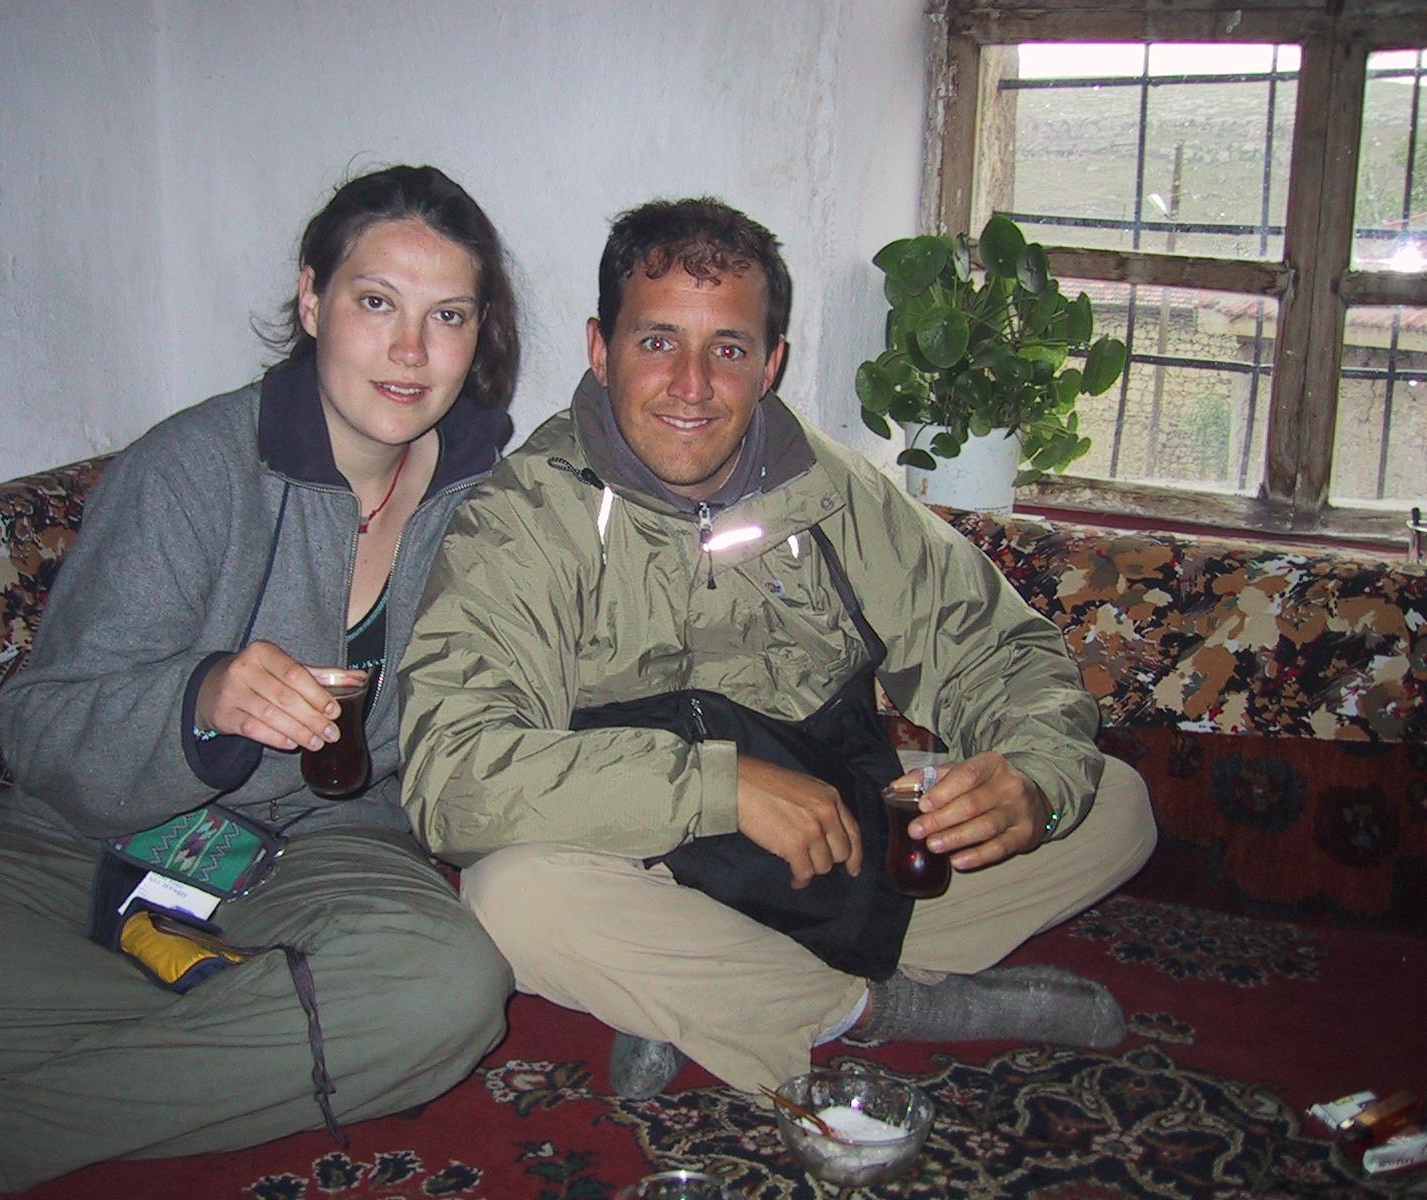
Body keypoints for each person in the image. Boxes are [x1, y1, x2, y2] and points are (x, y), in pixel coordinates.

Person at [0, 164, 519, 1200]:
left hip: (321, 861)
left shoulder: (489, 510)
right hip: (89, 846)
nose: (412, 351)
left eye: (448, 316)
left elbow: (488, 740)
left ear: (477, 332)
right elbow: (41, 731)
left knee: (446, 987)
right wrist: (196, 704)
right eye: (377, 302)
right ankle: (269, 1027)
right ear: (312, 300)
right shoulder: (190, 469)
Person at [398, 196, 1156, 1102]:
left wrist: (1029, 777)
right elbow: (453, 777)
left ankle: (691, 989)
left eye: (728, 349)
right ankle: (872, 1009)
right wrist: (718, 786)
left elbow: (993, 648)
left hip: (831, 841)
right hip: (634, 857)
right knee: (513, 899)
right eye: (657, 342)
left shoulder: (833, 491)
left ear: (771, 364)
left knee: (1113, 805)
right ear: (600, 350)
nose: (691, 386)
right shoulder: (522, 521)